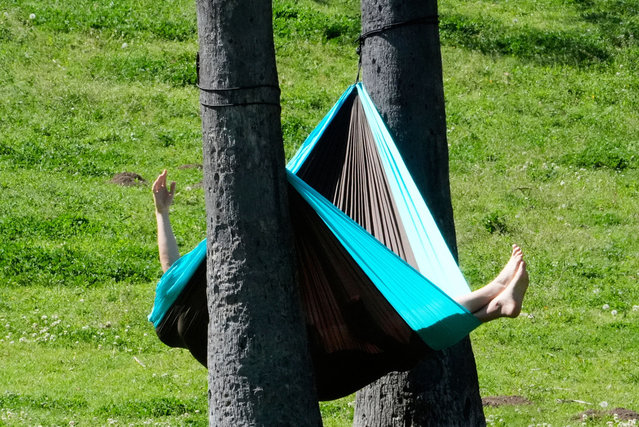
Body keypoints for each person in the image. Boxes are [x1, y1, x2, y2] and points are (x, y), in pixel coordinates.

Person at [152, 169, 529, 322]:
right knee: (406, 322)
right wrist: (161, 214)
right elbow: (175, 279)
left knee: (408, 328)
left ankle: (495, 306)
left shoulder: (200, 297)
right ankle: (493, 294)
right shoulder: (201, 301)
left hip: (320, 324)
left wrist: (162, 214)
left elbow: (173, 275)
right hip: (321, 331)